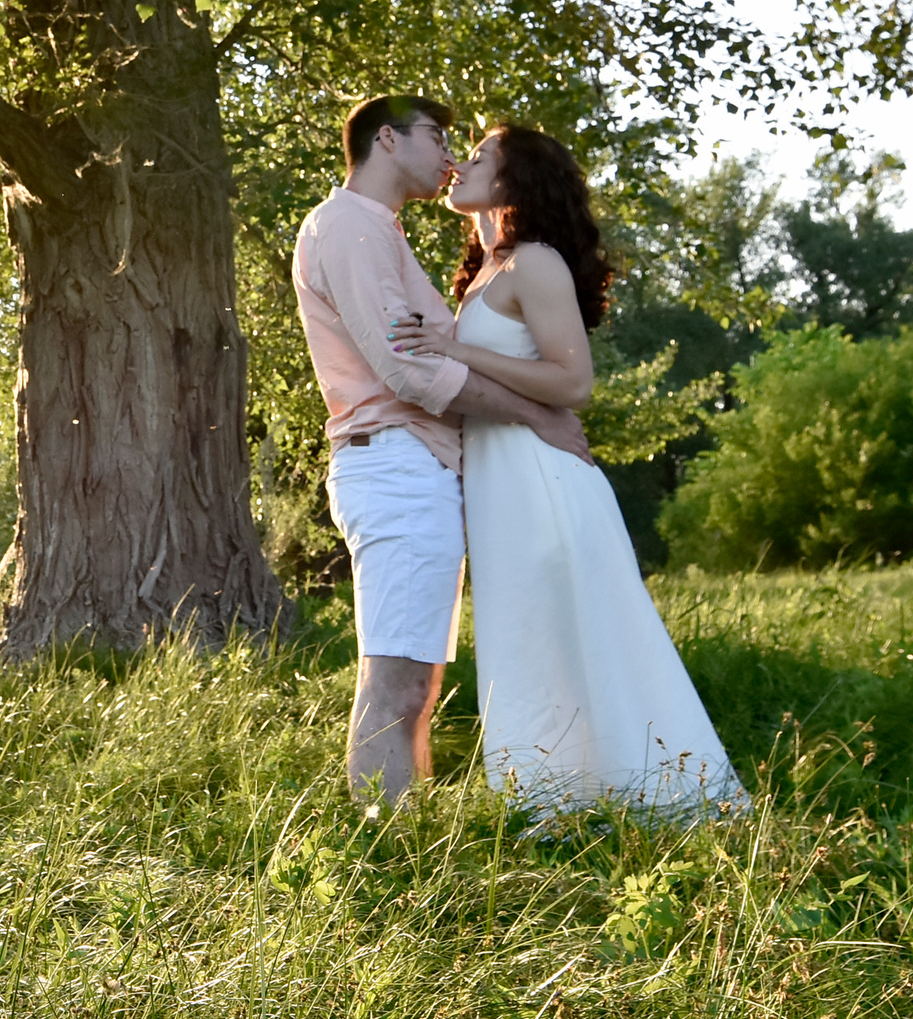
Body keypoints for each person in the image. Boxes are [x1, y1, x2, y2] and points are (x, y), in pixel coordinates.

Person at [402, 123, 745, 815]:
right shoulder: (489, 269)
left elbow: (573, 383)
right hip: (502, 486)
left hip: (543, 482)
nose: (457, 168)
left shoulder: (537, 262)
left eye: (477, 158)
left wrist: (454, 348)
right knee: (528, 641)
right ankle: (555, 805)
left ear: (514, 180)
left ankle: (667, 796)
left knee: (589, 634)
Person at [291, 95, 593, 811]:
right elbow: (409, 373)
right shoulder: (349, 230)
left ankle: (402, 839)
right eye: (436, 137)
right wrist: (535, 415)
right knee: (395, 681)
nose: (448, 153)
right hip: (393, 463)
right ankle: (386, 848)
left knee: (416, 683)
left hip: (419, 466)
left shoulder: (381, 234)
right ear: (388, 141)